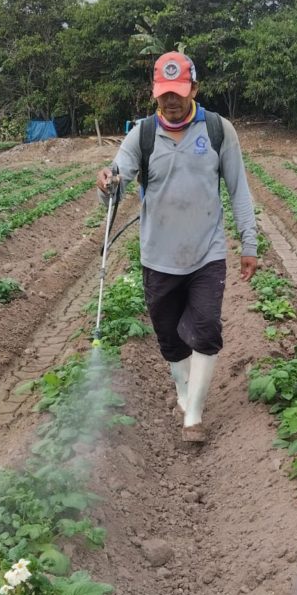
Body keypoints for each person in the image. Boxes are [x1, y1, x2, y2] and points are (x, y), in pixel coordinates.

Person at [96, 51, 258, 442]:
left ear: (194, 90)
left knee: (205, 329)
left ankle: (195, 417)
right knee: (169, 338)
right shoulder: (142, 135)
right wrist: (107, 185)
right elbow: (116, 184)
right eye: (164, 93)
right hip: (159, 255)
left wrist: (248, 243)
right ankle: (184, 394)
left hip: (208, 253)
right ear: (155, 94)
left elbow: (239, 190)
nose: (171, 101)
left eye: (179, 92)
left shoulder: (220, 131)